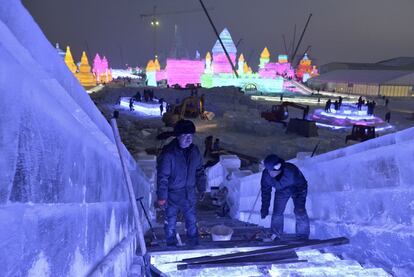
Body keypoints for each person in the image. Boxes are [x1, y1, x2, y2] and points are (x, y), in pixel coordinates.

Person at [157, 120, 206, 246]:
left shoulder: (194, 151)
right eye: (185, 136)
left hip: (189, 194)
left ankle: (194, 243)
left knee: (192, 221)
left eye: (191, 136)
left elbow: (200, 171)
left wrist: (201, 188)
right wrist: (162, 197)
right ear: (178, 136)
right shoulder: (169, 154)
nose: (189, 139)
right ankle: (170, 244)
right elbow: (163, 177)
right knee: (170, 222)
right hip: (172, 195)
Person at [260, 154, 310, 240]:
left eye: (274, 170)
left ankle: (303, 236)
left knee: (299, 211)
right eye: (270, 170)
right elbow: (265, 192)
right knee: (277, 212)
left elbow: (299, 184)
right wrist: (264, 208)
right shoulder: (266, 176)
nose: (272, 173)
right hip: (282, 190)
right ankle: (276, 234)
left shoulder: (291, 172)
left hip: (299, 188)